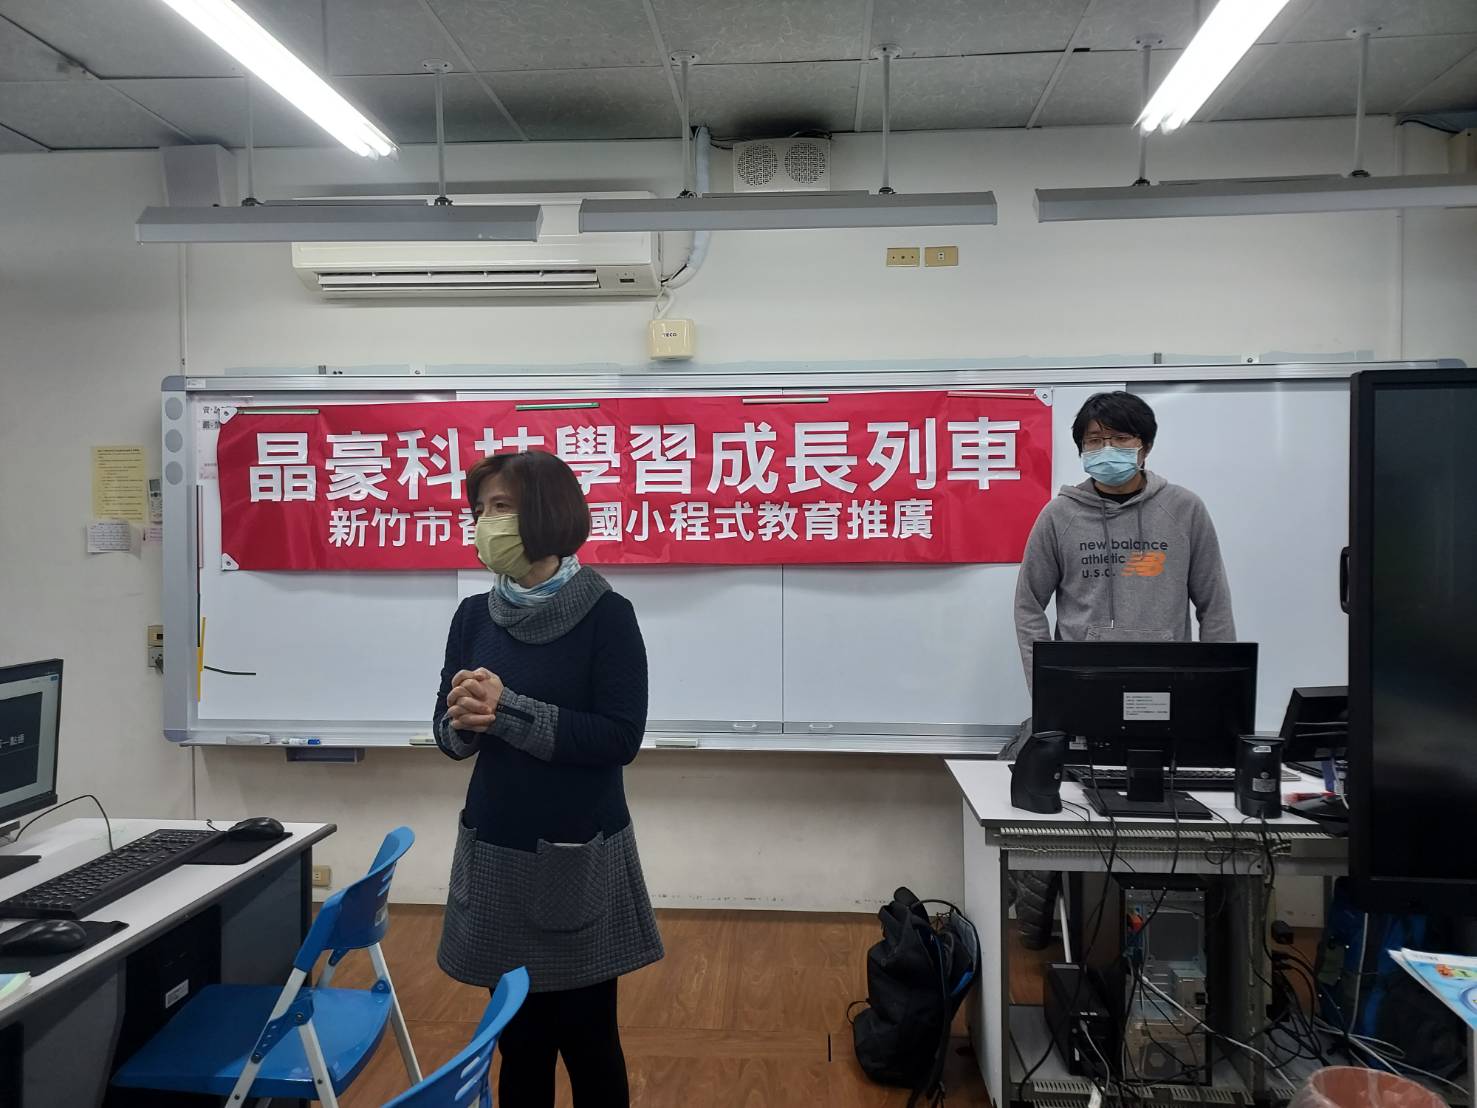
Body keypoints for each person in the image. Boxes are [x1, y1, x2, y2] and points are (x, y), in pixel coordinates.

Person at [434, 450, 662, 1108]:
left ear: (546, 515)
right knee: (519, 1044)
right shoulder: (473, 616)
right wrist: (465, 721)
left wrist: (506, 710)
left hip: (576, 858)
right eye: (480, 509)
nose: (486, 522)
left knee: (589, 1043)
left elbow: (618, 737)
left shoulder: (606, 615)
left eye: (501, 507)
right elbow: (448, 733)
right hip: (493, 855)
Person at [1006, 391, 1236, 946]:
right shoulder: (1059, 516)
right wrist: (1047, 688)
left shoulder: (1184, 510)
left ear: (1145, 446)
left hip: (1169, 699)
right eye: (1095, 440)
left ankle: (1164, 942)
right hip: (1080, 698)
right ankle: (1078, 941)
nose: (1106, 449)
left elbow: (1215, 606)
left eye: (1119, 438)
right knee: (1063, 819)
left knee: (1167, 825)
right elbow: (1028, 605)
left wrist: (1219, 700)